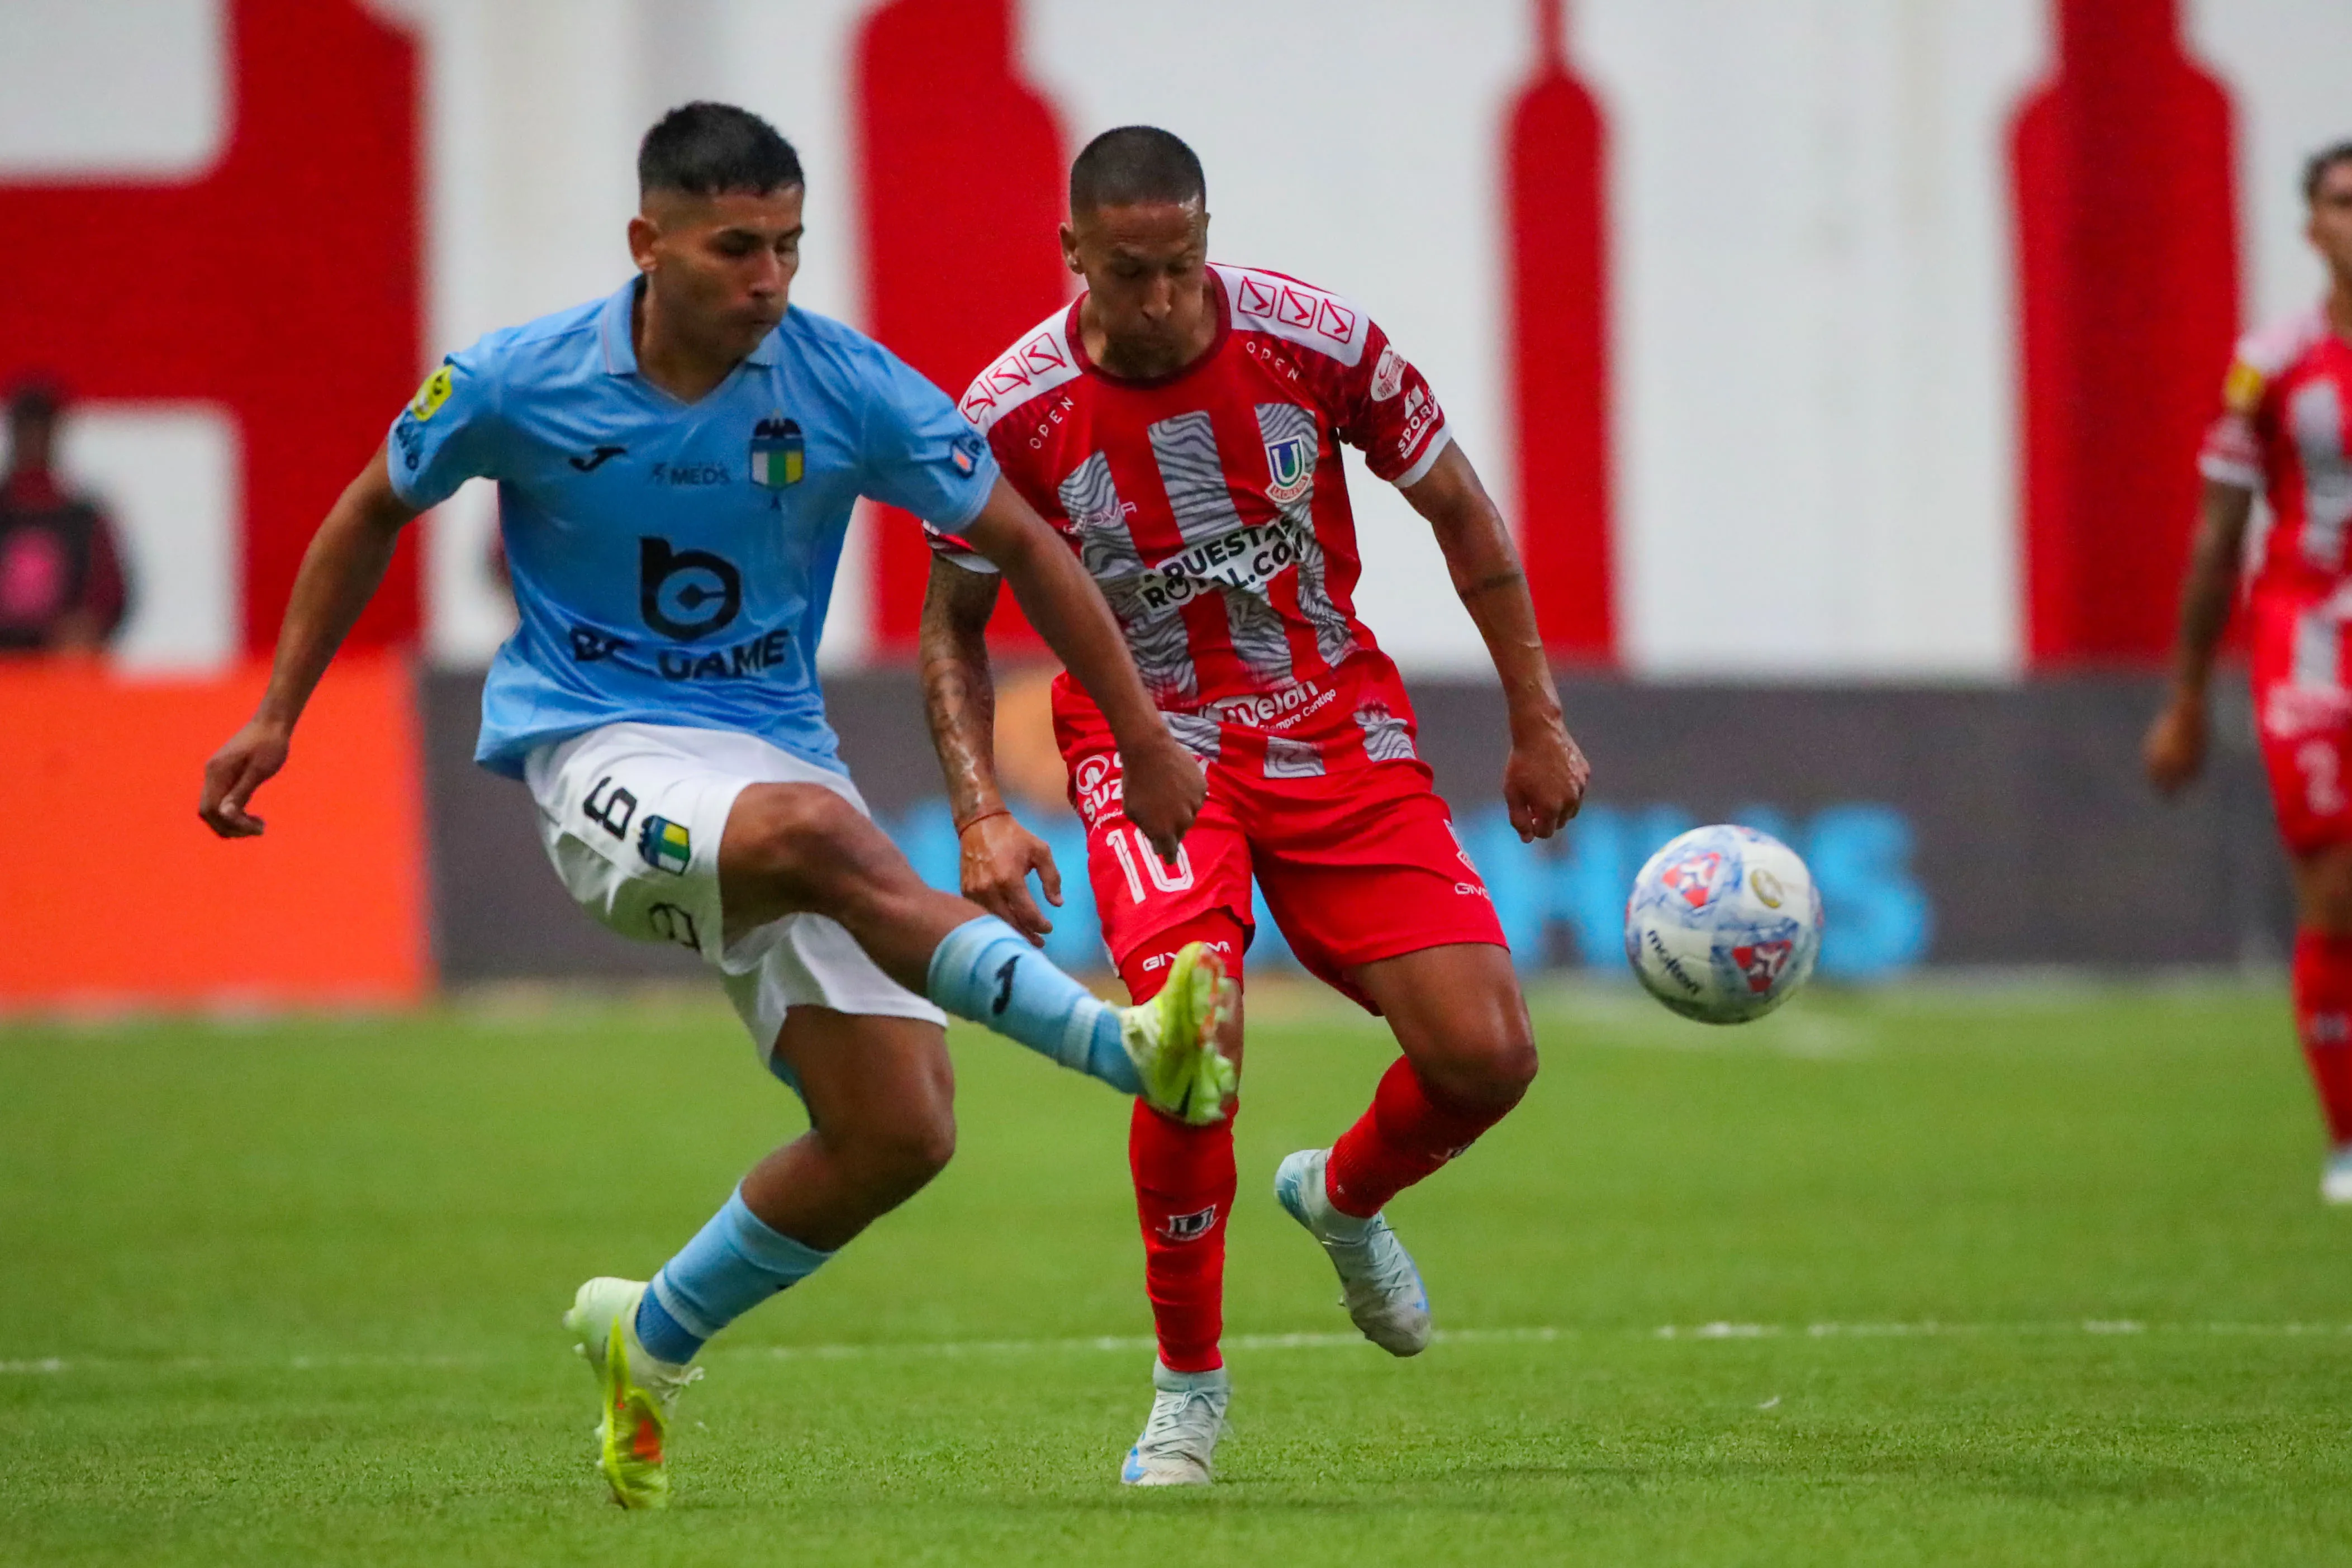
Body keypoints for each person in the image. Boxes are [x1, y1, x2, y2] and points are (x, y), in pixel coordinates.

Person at [197, 103, 1236, 1510]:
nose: (768, 278)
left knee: (899, 1132)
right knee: (822, 841)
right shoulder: (517, 381)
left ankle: (649, 1329)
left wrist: (1140, 728)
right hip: (593, 747)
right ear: (649, 242)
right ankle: (1126, 1047)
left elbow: (1021, 542)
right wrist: (278, 710)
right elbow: (372, 506)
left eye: (789, 246)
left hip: (770, 750)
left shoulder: (841, 385)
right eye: (736, 246)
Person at [919, 126, 1590, 1486]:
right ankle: (1188, 1388)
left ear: (1207, 241)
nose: (1161, 298)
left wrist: (1538, 717)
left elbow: (1459, 508)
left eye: (1180, 266)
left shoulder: (1317, 338)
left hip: (1335, 720)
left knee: (1489, 1057)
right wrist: (982, 807)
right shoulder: (1006, 410)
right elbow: (951, 624)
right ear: (1072, 257)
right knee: (1191, 1039)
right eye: (1128, 272)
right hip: (1147, 739)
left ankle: (1342, 1197)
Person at [2148, 139, 2352, 1203]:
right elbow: (2214, 535)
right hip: (2311, 640)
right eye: (2340, 202)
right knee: (2330, 893)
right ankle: (2344, 1142)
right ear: (2309, 225)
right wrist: (2186, 696)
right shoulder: (2270, 363)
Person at [0, 382, 130, 654]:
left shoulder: (84, 519)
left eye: (41, 430)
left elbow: (111, 598)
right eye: (26, 430)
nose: (33, 440)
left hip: (61, 661)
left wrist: (86, 625)